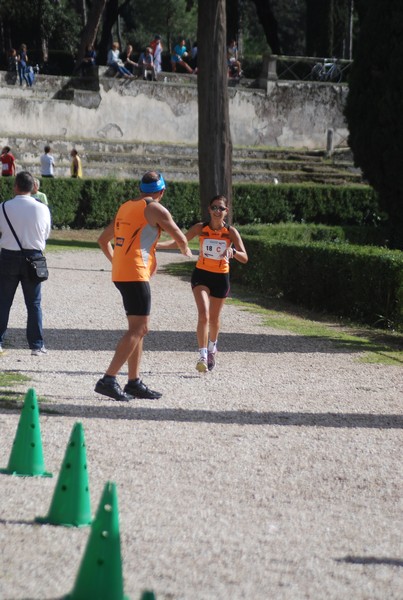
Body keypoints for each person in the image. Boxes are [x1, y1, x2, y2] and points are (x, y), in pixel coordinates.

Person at [95, 171, 193, 401]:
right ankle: (108, 379)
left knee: (138, 328)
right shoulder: (156, 209)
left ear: (140, 189)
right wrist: (184, 248)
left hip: (122, 273)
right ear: (162, 191)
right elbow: (180, 236)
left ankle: (133, 382)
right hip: (135, 273)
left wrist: (118, 261)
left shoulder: (126, 207)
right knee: (139, 329)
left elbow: (102, 240)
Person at [157, 195, 248, 373]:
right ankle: (203, 356)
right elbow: (179, 241)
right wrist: (156, 245)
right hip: (202, 275)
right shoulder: (200, 228)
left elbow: (245, 257)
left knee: (214, 318)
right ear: (209, 209)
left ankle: (213, 347)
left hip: (221, 278)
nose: (217, 211)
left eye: (221, 208)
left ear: (226, 212)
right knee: (204, 315)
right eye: (214, 207)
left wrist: (233, 251)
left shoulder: (231, 232)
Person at [0, 171, 51, 355]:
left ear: (15, 186)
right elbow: (45, 235)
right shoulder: (42, 208)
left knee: (3, 301)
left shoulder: (4, 206)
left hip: (8, 256)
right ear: (33, 188)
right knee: (34, 303)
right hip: (34, 256)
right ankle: (36, 345)